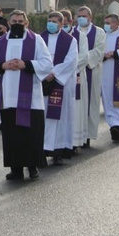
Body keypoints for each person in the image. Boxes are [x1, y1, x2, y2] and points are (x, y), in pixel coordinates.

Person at [0, 10, 52, 181]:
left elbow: (47, 63)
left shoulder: (36, 40)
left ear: (26, 23)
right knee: (12, 134)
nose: (17, 23)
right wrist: (3, 65)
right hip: (8, 96)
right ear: (9, 23)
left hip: (31, 97)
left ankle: (32, 166)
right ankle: (16, 168)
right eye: (14, 21)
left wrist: (25, 64)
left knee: (31, 133)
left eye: (21, 21)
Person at [40, 12, 78, 164]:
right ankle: (42, 150)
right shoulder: (39, 39)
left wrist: (54, 73)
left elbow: (72, 61)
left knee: (60, 117)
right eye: (49, 21)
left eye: (55, 21)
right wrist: (44, 73)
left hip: (61, 83)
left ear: (62, 24)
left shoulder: (70, 41)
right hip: (42, 82)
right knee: (42, 117)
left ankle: (58, 151)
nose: (51, 24)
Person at [75, 6, 105, 147]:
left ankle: (88, 134)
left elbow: (99, 51)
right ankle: (77, 133)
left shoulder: (99, 32)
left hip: (91, 71)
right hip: (77, 72)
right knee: (78, 104)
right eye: (79, 16)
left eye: (84, 16)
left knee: (91, 102)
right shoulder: (73, 32)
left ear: (90, 17)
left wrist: (83, 59)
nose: (81, 18)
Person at [62, 9, 89, 149]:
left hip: (76, 76)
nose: (63, 26)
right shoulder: (50, 37)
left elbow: (84, 56)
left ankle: (74, 141)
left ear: (71, 22)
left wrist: (68, 68)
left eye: (66, 24)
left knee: (75, 108)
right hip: (57, 78)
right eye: (62, 24)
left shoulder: (81, 36)